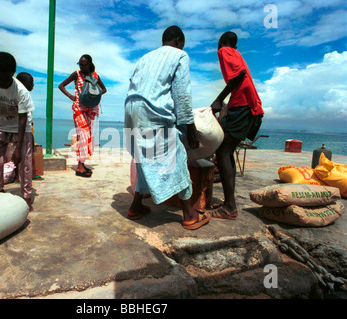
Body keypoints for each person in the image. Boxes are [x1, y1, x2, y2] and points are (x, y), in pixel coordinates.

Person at [124, 25, 210, 230]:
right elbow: (181, 93)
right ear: (179, 41)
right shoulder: (180, 55)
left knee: (144, 158)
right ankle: (189, 215)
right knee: (177, 156)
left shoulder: (144, 57)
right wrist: (190, 127)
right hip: (151, 110)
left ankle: (135, 207)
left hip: (131, 109)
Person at [209, 31, 264, 219]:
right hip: (248, 107)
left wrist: (218, 99)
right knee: (227, 150)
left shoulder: (225, 50)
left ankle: (229, 207)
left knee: (223, 151)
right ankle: (228, 203)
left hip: (242, 106)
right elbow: (240, 75)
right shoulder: (237, 54)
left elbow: (238, 75)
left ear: (222, 43)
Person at [0, 52, 35, 212]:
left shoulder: (21, 91)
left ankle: (26, 197)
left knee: (24, 162)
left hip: (21, 129)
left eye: (6, 79)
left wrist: (18, 149)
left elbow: (24, 117)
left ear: (13, 73)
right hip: (0, 126)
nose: (2, 82)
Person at [58, 54, 107, 177]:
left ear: (89, 64)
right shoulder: (77, 74)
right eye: (79, 64)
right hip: (79, 109)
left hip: (91, 110)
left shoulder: (95, 76)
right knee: (83, 135)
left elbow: (104, 89)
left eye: (83, 64)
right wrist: (71, 96)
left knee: (87, 137)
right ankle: (80, 167)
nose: (80, 66)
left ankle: (82, 163)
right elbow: (61, 86)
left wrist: (95, 96)